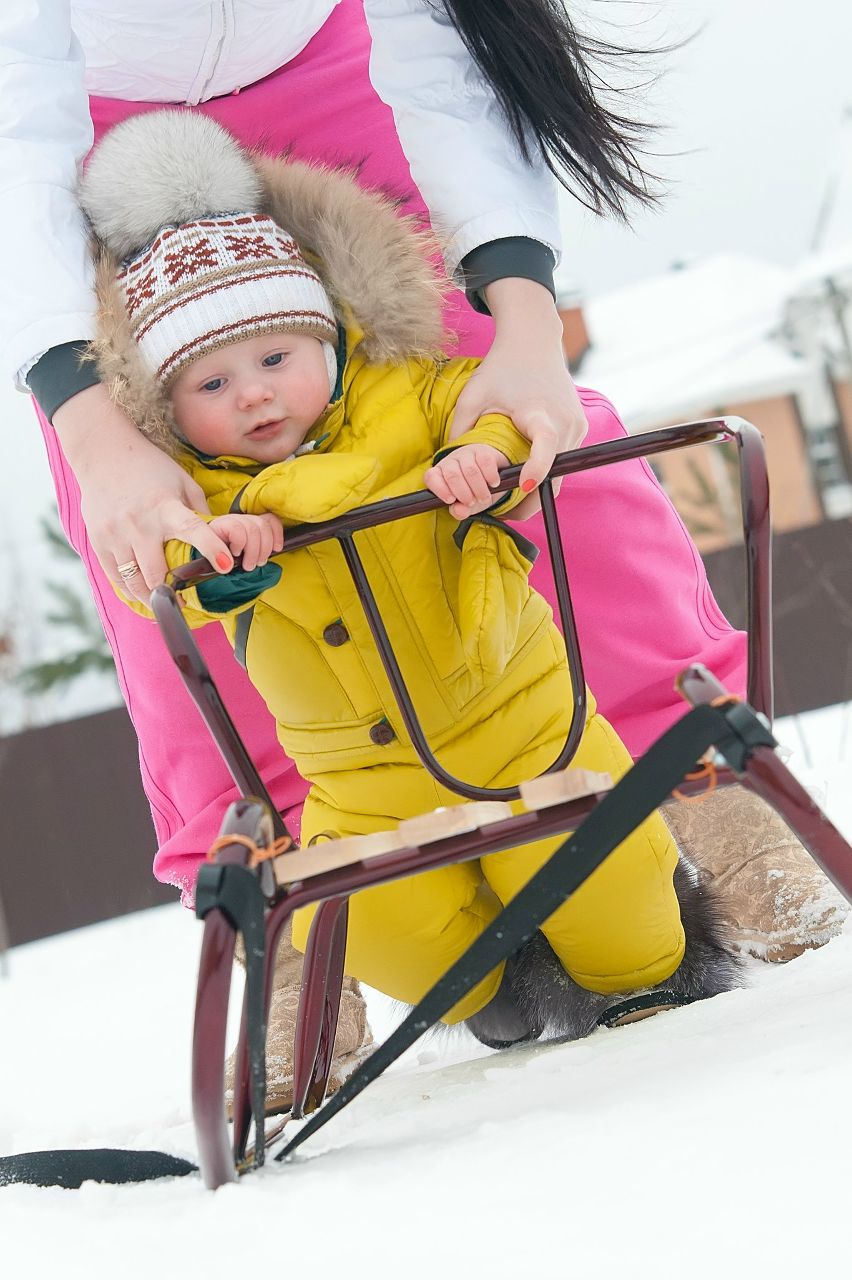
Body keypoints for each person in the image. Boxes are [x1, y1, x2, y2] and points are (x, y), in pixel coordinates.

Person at [1, 1, 843, 1104]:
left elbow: (444, 48)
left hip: (342, 78)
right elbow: (17, 105)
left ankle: (696, 774)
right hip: (81, 147)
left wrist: (525, 325)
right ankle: (276, 903)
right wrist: (89, 429)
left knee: (525, 440)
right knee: (163, 552)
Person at [80, 107, 739, 1058]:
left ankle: (638, 971)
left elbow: (498, 418)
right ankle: (486, 994)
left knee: (608, 892)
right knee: (365, 913)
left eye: (275, 358)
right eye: (211, 386)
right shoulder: (197, 498)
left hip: (524, 727)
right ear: (170, 411)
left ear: (327, 341)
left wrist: (482, 456)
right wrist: (223, 551)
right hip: (362, 784)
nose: (254, 393)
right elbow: (171, 582)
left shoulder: (413, 397)